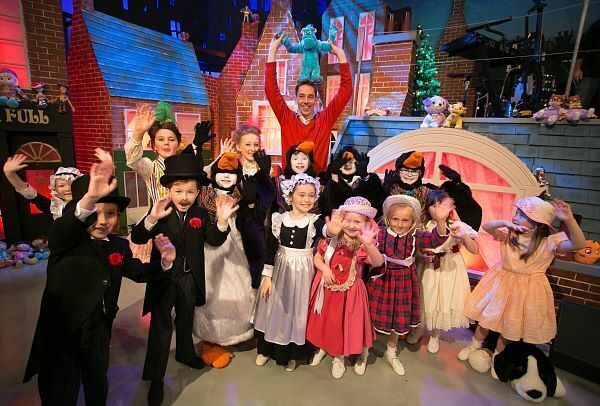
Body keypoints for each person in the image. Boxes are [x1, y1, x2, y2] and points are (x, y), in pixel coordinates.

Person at [23, 149, 175, 405]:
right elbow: (65, 226)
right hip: (63, 333)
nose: (102, 221)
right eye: (95, 212)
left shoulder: (118, 246)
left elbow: (137, 272)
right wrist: (90, 198)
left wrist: (165, 262)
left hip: (99, 329)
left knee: (96, 381)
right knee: (61, 389)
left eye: (110, 213)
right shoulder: (66, 241)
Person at [130, 154, 237, 406]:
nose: (184, 197)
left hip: (189, 277)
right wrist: (152, 219)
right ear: (169, 190)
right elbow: (137, 237)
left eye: (190, 191)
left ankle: (186, 354)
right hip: (164, 278)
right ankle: (156, 378)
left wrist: (222, 223)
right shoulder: (160, 211)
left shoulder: (200, 213)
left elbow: (213, 240)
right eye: (179, 191)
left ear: (198, 192)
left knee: (187, 319)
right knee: (161, 327)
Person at [458, 197, 585, 379]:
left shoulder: (548, 243)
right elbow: (487, 227)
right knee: (487, 319)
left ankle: (498, 358)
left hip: (526, 291)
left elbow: (579, 244)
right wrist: (504, 223)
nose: (516, 217)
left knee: (510, 325)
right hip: (500, 284)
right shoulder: (509, 235)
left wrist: (569, 220)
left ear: (537, 223)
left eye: (523, 215)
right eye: (517, 213)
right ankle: (474, 346)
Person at [193, 152, 273, 367]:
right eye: (221, 172)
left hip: (238, 247)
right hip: (211, 248)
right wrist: (197, 148)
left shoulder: (242, 191)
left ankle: (240, 332)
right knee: (214, 292)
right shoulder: (205, 194)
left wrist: (252, 198)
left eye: (231, 173)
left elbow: (259, 212)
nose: (226, 176)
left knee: (243, 289)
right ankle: (211, 339)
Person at [365, 194, 457, 375]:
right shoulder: (380, 234)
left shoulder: (416, 236)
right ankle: (364, 351)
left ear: (413, 220)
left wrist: (440, 221)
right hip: (382, 279)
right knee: (371, 315)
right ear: (388, 218)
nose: (399, 224)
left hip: (404, 281)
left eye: (405, 220)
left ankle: (391, 352)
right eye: (395, 219)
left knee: (397, 317)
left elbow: (436, 240)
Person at [306, 197, 384, 379]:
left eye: (357, 221)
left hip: (350, 293)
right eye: (347, 220)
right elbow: (317, 257)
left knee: (343, 324)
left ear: (366, 224)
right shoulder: (331, 239)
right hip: (327, 289)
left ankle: (339, 356)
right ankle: (325, 346)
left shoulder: (363, 244)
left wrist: (368, 244)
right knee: (327, 322)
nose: (351, 225)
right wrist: (324, 268)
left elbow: (378, 262)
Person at [253, 173, 323, 372]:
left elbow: (326, 230)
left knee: (296, 311)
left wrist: (333, 228)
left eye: (311, 195)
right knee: (274, 309)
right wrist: (267, 277)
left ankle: (292, 354)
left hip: (304, 272)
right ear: (290, 196)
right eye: (301, 195)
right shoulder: (279, 219)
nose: (306, 199)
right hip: (280, 269)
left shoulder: (315, 221)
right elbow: (270, 249)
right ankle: (266, 350)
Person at [266, 32, 352, 173]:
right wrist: (273, 50)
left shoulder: (325, 120)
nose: (306, 101)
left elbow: (346, 91)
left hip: (317, 184)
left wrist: (340, 54)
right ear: (296, 98)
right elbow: (271, 90)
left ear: (316, 99)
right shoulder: (287, 119)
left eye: (310, 97)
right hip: (290, 184)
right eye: (302, 96)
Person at [421, 190, 479, 355]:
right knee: (426, 298)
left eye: (442, 206)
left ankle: (435, 335)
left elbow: (474, 249)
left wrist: (464, 237)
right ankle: (418, 329)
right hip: (428, 267)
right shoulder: (424, 225)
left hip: (449, 268)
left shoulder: (456, 225)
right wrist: (423, 255)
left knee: (443, 299)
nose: (438, 210)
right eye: (434, 205)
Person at [3, 154, 82, 219]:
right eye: (61, 185)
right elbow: (32, 196)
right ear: (55, 189)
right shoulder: (55, 208)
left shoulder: (88, 205)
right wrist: (10, 174)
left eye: (72, 184)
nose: (68, 189)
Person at [574, 19, 600, 112]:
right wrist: (577, 68)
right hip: (591, 71)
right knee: (579, 104)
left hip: (592, 71)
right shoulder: (597, 25)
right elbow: (583, 47)